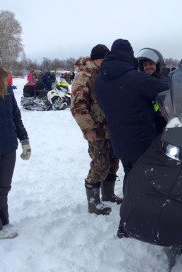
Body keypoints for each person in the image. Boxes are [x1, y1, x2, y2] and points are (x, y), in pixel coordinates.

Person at [95, 39, 168, 191]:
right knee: (143, 177)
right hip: (141, 140)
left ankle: (128, 205)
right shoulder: (136, 78)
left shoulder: (100, 80)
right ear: (128, 54)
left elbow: (104, 105)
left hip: (118, 139)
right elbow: (165, 92)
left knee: (129, 173)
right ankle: (140, 208)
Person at [0, 46, 31, 242]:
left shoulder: (5, 87)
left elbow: (15, 117)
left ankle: (2, 222)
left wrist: (24, 140)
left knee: (4, 187)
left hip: (7, 146)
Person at [71, 44, 121, 216]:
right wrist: (88, 128)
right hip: (96, 130)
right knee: (100, 165)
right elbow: (78, 106)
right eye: (103, 60)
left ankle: (108, 195)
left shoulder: (104, 75)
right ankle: (93, 202)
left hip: (111, 129)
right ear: (95, 59)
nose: (106, 63)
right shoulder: (84, 76)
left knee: (113, 164)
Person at [137, 48, 171, 135]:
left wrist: (161, 110)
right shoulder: (142, 81)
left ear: (158, 65)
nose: (148, 67)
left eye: (151, 64)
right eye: (145, 65)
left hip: (161, 124)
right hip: (147, 124)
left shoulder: (163, 81)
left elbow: (168, 98)